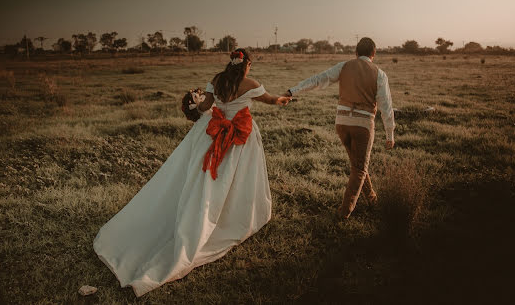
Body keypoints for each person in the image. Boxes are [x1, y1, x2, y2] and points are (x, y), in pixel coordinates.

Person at [93, 49, 291, 297]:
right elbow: (272, 100)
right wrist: (284, 99)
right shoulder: (250, 84)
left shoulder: (218, 79)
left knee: (204, 177)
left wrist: (196, 101)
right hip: (240, 138)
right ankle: (226, 215)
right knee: (237, 179)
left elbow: (206, 106)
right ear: (247, 64)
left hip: (213, 132)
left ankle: (202, 208)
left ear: (231, 63)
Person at [285, 37, 395, 219]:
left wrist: (292, 91)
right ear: (373, 54)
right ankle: (345, 213)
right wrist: (390, 134)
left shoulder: (344, 66)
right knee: (359, 168)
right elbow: (386, 107)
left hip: (341, 123)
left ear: (356, 53)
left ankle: (372, 198)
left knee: (357, 165)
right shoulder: (380, 74)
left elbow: (319, 79)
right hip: (363, 125)